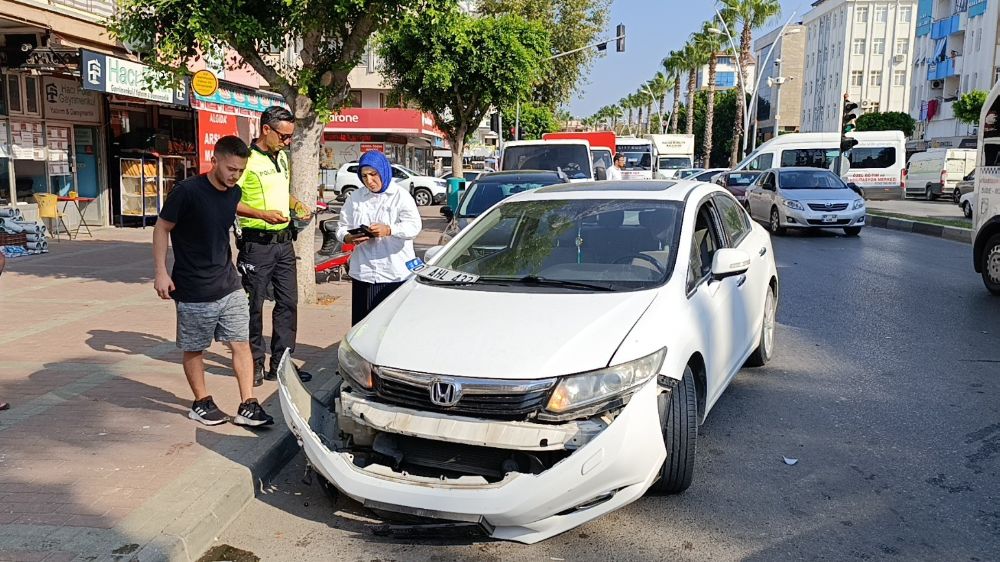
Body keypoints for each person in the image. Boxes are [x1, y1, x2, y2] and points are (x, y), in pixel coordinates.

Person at [153, 136, 273, 427]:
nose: (235, 175)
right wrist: (160, 271)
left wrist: (261, 214)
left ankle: (247, 404)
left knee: (240, 343)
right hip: (193, 286)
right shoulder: (187, 192)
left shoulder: (233, 192)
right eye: (231, 169)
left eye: (241, 171)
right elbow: (162, 227)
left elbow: (232, 207)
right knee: (195, 347)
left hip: (228, 282)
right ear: (215, 161)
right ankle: (201, 402)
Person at [235, 106, 312, 387]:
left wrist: (295, 204)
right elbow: (230, 199)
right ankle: (253, 363)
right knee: (253, 306)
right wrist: (261, 215)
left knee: (288, 303)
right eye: (284, 136)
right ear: (266, 129)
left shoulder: (281, 157)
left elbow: (282, 192)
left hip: (284, 244)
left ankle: (281, 363)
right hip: (257, 245)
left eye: (291, 137)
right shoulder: (246, 160)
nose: (287, 142)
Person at [336, 150, 422, 325]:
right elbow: (341, 227)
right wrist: (348, 238)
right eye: (364, 175)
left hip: (394, 274)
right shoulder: (356, 197)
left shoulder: (401, 196)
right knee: (362, 327)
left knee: (389, 327)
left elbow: (414, 226)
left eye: (374, 174)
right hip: (364, 273)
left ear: (383, 171)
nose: (369, 180)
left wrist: (389, 230)